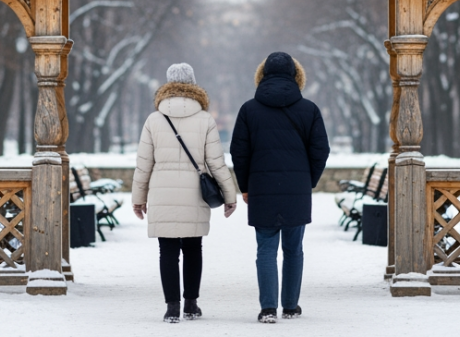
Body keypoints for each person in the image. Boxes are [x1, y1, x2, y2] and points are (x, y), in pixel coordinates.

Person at [132, 63, 239, 323]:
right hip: (194, 194)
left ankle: (172, 308)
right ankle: (191, 304)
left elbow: (143, 163)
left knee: (167, 250)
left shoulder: (154, 119)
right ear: (193, 84)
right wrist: (229, 195)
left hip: (162, 194)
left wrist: (138, 199)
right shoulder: (204, 119)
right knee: (193, 248)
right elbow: (216, 162)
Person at [230, 51, 330, 323]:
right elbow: (321, 150)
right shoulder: (309, 110)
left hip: (262, 188)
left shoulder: (249, 109)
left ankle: (268, 308)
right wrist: (306, 181)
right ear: (297, 76)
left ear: (261, 76)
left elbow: (239, 151)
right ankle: (290, 305)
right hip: (296, 188)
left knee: (265, 248)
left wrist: (245, 186)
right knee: (293, 249)